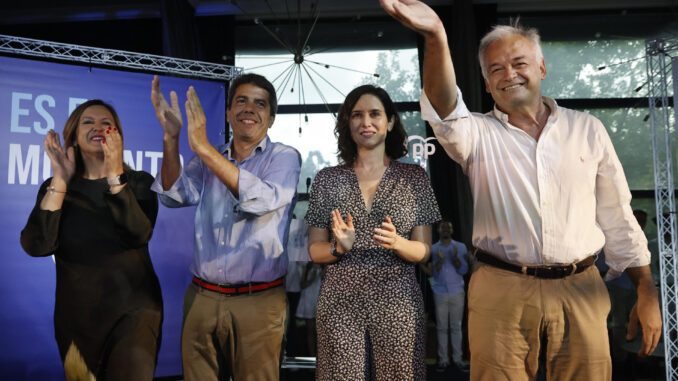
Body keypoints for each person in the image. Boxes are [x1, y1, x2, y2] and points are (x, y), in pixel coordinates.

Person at [380, 1, 662, 380]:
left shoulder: (588, 128)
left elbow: (618, 216)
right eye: (495, 69)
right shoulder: (476, 133)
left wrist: (645, 289)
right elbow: (444, 108)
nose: (508, 74)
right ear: (486, 84)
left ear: (542, 68)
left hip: (581, 289)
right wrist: (436, 37)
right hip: (501, 290)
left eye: (519, 63)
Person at [150, 73, 301, 381]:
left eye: (260, 104)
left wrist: (203, 148)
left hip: (258, 301)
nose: (249, 108)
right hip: (202, 298)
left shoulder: (285, 157)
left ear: (271, 118)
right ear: (229, 112)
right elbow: (173, 195)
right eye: (241, 101)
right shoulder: (210, 153)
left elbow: (259, 200)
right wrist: (172, 137)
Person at [20, 100, 163, 380]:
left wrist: (114, 176)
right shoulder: (55, 189)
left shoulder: (139, 183)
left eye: (105, 123)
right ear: (73, 134)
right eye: (88, 122)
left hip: (135, 314)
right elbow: (37, 246)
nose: (98, 127)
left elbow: (137, 234)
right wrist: (60, 180)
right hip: (76, 320)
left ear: (117, 135)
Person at [306, 84, 441, 380]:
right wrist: (338, 249)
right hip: (339, 302)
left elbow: (424, 250)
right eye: (357, 115)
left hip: (399, 300)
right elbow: (314, 249)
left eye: (375, 114)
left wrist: (397, 243)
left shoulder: (414, 177)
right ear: (347, 123)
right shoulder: (327, 179)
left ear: (390, 121)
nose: (366, 122)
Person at [425, 221, 468, 373]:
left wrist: (455, 257)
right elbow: (433, 272)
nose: (445, 230)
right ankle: (443, 360)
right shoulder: (434, 249)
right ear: (438, 230)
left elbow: (463, 270)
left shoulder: (460, 247)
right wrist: (441, 260)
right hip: (440, 292)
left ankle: (458, 359)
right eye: (442, 228)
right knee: (442, 327)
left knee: (456, 326)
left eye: (447, 228)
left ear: (452, 230)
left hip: (457, 291)